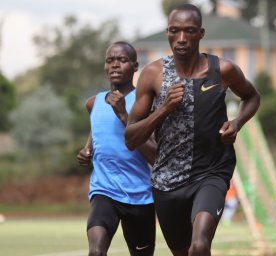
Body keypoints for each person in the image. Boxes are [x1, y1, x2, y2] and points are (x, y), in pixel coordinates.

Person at [124, 4, 260, 255]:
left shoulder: (223, 70)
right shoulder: (153, 74)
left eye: (189, 31)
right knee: (184, 252)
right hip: (167, 180)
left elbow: (252, 97)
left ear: (201, 33)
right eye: (175, 31)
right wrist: (164, 108)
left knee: (200, 245)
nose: (181, 39)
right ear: (167, 32)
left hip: (211, 172)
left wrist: (237, 123)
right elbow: (131, 138)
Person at [77, 41, 156, 256]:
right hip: (104, 191)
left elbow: (154, 155)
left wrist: (123, 115)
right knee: (96, 251)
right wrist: (87, 150)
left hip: (141, 195)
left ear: (135, 66)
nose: (115, 65)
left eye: (122, 60)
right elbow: (97, 129)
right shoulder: (93, 103)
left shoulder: (146, 102)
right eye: (110, 60)